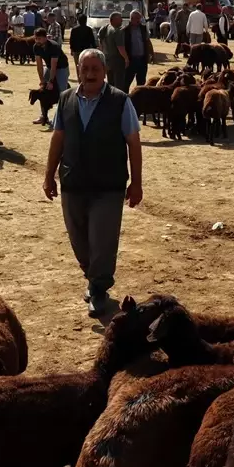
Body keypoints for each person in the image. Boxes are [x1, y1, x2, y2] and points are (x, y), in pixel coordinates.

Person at [42, 49, 143, 318]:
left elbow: (133, 143)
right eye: (85, 69)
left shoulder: (120, 101)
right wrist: (49, 174)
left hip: (108, 185)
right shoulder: (65, 100)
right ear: (77, 70)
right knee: (78, 238)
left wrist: (137, 182)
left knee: (102, 238)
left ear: (104, 71)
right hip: (73, 182)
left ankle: (99, 287)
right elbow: (58, 139)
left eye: (95, 69)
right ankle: (92, 276)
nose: (89, 74)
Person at [121, 11, 154, 90]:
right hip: (130, 61)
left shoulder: (143, 28)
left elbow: (147, 41)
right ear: (131, 19)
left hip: (142, 60)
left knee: (141, 83)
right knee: (126, 83)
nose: (139, 20)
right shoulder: (125, 30)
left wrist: (151, 53)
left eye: (140, 18)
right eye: (137, 18)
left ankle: (139, 100)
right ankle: (126, 101)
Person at [99, 12, 127, 90]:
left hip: (107, 59)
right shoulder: (117, 31)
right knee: (119, 84)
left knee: (110, 82)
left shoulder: (105, 28)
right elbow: (120, 47)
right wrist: (126, 58)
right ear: (113, 20)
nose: (122, 20)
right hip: (117, 60)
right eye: (120, 18)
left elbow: (100, 44)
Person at [69, 14, 97, 80]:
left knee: (78, 66)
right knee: (87, 66)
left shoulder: (74, 29)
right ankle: (86, 79)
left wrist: (71, 50)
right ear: (86, 20)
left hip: (76, 51)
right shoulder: (89, 29)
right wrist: (95, 49)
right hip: (86, 52)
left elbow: (71, 41)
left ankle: (80, 80)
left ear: (78, 21)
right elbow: (92, 41)